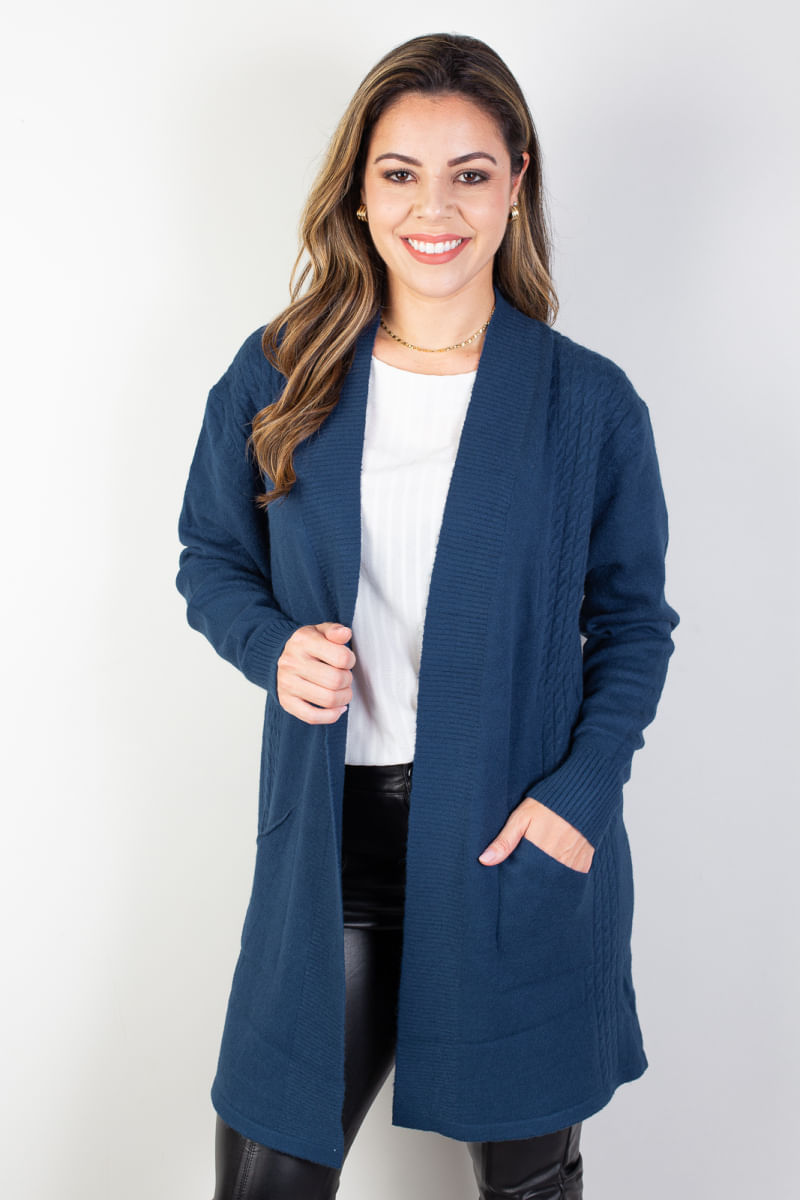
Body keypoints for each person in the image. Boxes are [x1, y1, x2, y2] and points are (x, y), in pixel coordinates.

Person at [175, 31, 680, 1200]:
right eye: (399, 172)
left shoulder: (586, 403)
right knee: (266, 1170)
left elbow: (632, 624)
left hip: (513, 843)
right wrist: (270, 645)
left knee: (528, 1186)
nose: (432, 207)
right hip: (330, 853)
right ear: (359, 190)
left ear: (514, 185)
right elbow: (212, 556)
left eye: (469, 172)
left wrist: (581, 792)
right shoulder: (280, 372)